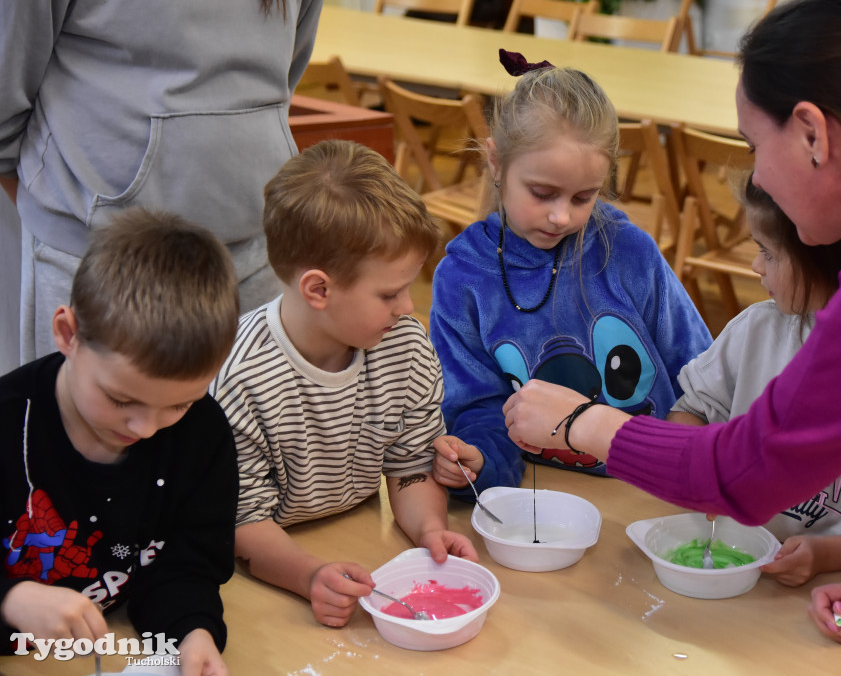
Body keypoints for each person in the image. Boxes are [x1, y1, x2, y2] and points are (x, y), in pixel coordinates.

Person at [502, 0, 841, 643]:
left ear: (812, 132)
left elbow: (749, 469)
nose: (758, 175)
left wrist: (587, 424)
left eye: (754, 144)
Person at [210, 140, 478, 629]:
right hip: (267, 566)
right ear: (319, 289)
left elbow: (410, 467)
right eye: (390, 292)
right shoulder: (238, 377)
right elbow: (240, 520)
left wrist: (430, 530)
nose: (407, 307)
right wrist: (310, 576)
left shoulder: (405, 347)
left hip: (359, 534)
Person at [429, 52, 711, 499]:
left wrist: (687, 460)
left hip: (649, 489)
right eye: (542, 193)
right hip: (539, 496)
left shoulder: (628, 252)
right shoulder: (462, 278)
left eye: (583, 197)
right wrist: (480, 460)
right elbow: (476, 406)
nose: (561, 216)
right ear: (496, 162)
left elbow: (700, 374)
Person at [0, 0, 324, 365]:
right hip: (97, 254)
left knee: (231, 423)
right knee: (101, 418)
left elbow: (285, 72)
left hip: (254, 251)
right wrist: (61, 203)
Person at [667, 173, 841, 587]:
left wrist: (826, 556)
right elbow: (689, 412)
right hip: (739, 568)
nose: (755, 265)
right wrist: (702, 478)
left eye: (769, 253)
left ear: (828, 261)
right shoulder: (756, 331)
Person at [0, 209, 240, 676]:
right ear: (68, 334)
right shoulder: (10, 423)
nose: (146, 428)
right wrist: (10, 598)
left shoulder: (202, 435)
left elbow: (186, 566)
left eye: (178, 405)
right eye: (120, 399)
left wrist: (193, 633)